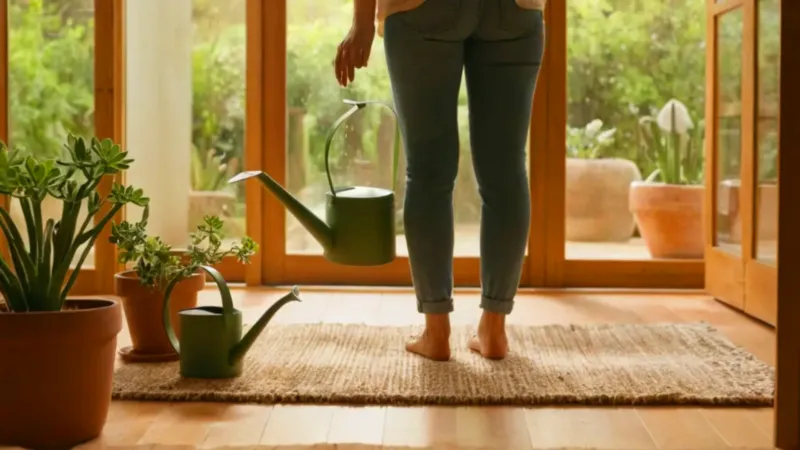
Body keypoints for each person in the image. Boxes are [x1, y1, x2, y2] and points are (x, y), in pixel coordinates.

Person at [334, 0, 546, 361]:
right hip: (515, 10)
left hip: (422, 10)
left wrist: (363, 21)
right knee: (506, 170)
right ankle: (494, 330)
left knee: (429, 170)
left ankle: (437, 333)